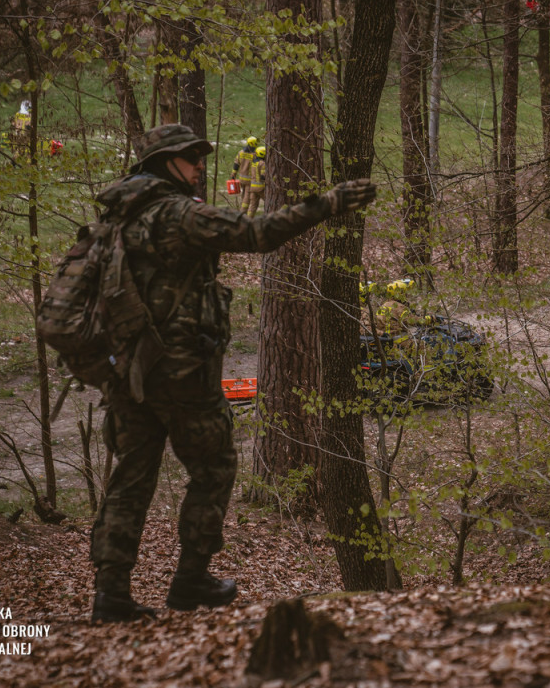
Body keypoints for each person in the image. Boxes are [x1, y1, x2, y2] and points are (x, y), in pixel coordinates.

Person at [89, 124, 376, 623]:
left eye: (200, 154)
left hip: (128, 373)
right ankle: (189, 579)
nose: (200, 165)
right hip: (182, 372)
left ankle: (110, 594)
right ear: (163, 165)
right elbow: (256, 234)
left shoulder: (116, 222)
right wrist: (328, 204)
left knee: (130, 480)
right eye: (189, 157)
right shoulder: (180, 214)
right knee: (216, 466)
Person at [231, 136, 257, 211]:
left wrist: (233, 174)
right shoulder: (254, 155)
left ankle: (242, 209)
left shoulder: (241, 152)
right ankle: (242, 214)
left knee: (243, 196)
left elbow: (236, 164)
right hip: (249, 180)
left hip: (241, 179)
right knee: (247, 199)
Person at [245, 145, 266, 218]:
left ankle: (247, 220)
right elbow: (263, 177)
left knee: (252, 206)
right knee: (269, 202)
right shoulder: (262, 163)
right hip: (261, 188)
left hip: (252, 188)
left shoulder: (253, 162)